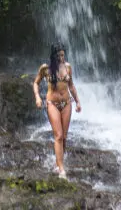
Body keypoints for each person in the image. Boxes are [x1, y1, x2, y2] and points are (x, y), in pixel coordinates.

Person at [33, 42, 81, 178]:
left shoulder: (68, 67)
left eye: (63, 55)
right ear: (54, 56)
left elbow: (71, 86)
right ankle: (61, 169)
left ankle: (58, 163)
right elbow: (36, 82)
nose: (62, 58)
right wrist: (37, 97)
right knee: (58, 135)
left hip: (67, 103)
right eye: (59, 55)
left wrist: (78, 101)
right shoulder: (45, 68)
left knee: (64, 137)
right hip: (52, 103)